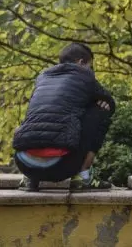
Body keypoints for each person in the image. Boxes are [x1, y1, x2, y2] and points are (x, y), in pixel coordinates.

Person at [13, 43, 115, 192]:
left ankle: (29, 180)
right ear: (81, 63)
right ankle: (84, 178)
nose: (91, 71)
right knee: (100, 109)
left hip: (24, 164)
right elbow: (110, 102)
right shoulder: (84, 75)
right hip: (62, 166)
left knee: (37, 114)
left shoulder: (42, 77)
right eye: (90, 66)